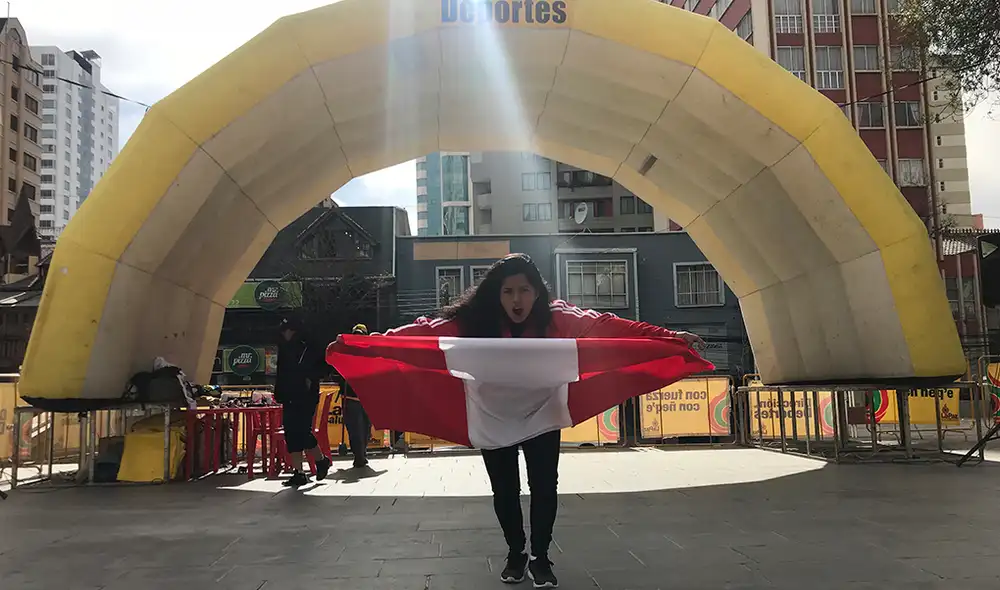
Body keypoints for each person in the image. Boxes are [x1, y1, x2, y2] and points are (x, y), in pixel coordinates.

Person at [381, 253, 704, 588]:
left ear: (537, 292)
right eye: (508, 291)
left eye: (524, 290)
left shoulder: (558, 317)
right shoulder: (474, 319)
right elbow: (421, 332)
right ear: (496, 294)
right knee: (505, 491)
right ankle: (515, 554)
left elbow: (607, 324)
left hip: (543, 412)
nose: (516, 300)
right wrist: (372, 343)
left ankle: (540, 558)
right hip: (492, 415)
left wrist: (666, 335)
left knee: (545, 487)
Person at [276, 317, 332, 487]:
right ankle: (299, 472)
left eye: (286, 330)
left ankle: (321, 460)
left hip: (305, 396)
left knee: (302, 432)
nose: (284, 334)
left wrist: (309, 378)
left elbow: (323, 367)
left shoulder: (309, 346)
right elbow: (281, 372)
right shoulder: (284, 348)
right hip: (288, 395)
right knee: (291, 434)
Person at [341, 323, 374, 468]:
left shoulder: (369, 353)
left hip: (367, 398)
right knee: (355, 429)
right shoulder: (345, 353)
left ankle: (362, 453)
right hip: (351, 398)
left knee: (365, 427)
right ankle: (359, 456)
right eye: (355, 335)